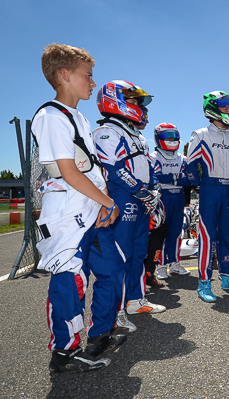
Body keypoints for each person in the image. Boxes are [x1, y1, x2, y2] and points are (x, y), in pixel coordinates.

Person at [33, 43, 125, 372]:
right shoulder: (51, 115)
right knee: (71, 279)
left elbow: (90, 169)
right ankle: (65, 351)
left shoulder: (80, 118)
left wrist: (102, 203)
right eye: (88, 76)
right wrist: (108, 201)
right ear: (64, 75)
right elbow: (68, 171)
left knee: (113, 270)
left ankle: (100, 332)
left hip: (91, 209)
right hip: (67, 212)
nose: (93, 82)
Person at [94, 80, 167, 333]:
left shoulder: (135, 134)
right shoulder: (106, 132)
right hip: (121, 198)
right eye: (134, 101)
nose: (138, 106)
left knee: (138, 253)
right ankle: (116, 312)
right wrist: (139, 190)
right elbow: (113, 169)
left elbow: (149, 167)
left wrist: (153, 191)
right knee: (120, 257)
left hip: (141, 199)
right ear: (115, 100)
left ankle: (135, 301)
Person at [186, 91, 229, 302]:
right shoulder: (201, 134)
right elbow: (190, 164)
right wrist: (199, 184)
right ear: (211, 109)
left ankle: (226, 276)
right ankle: (204, 282)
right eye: (224, 108)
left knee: (227, 236)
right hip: (209, 189)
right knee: (206, 235)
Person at [149, 123, 192, 279]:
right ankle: (160, 266)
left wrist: (172, 179)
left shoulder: (182, 158)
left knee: (176, 232)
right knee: (161, 233)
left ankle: (174, 263)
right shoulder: (154, 157)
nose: (172, 140)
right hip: (162, 198)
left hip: (178, 197)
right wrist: (177, 178)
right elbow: (155, 177)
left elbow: (190, 179)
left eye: (174, 137)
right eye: (167, 137)